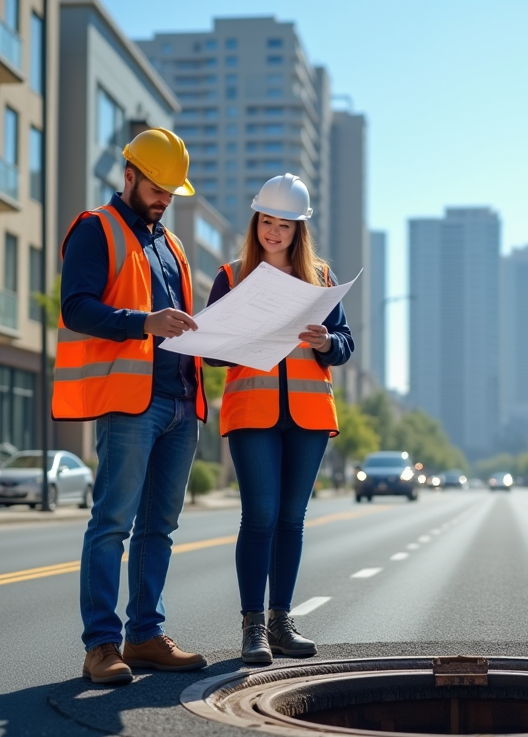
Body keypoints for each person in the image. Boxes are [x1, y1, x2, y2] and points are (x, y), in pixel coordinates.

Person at [56, 128, 209, 685]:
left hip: (179, 402)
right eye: (157, 186)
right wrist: (145, 324)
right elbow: (77, 308)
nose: (165, 196)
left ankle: (144, 636)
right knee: (112, 522)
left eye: (172, 190)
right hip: (130, 402)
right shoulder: (95, 229)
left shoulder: (172, 247)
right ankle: (101, 645)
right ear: (129, 175)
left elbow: (183, 326)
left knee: (159, 527)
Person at [205, 174, 353, 665]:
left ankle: (281, 620)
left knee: (292, 519)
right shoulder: (232, 276)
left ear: (298, 229)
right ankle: (253, 627)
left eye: (284, 225)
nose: (273, 232)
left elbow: (345, 343)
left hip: (308, 413)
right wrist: (244, 337)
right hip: (253, 411)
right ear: (256, 222)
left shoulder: (322, 277)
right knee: (260, 516)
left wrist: (327, 343)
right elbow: (209, 353)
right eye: (266, 222)